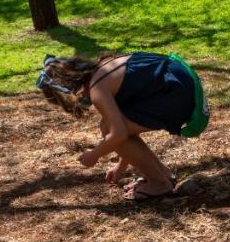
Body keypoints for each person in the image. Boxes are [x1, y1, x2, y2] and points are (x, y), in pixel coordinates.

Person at [37, 51, 208, 200]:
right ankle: (163, 175)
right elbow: (126, 126)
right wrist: (121, 165)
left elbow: (119, 134)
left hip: (175, 95)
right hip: (179, 82)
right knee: (108, 124)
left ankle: (160, 183)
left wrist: (94, 154)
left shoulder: (98, 89)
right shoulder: (105, 67)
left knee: (108, 129)